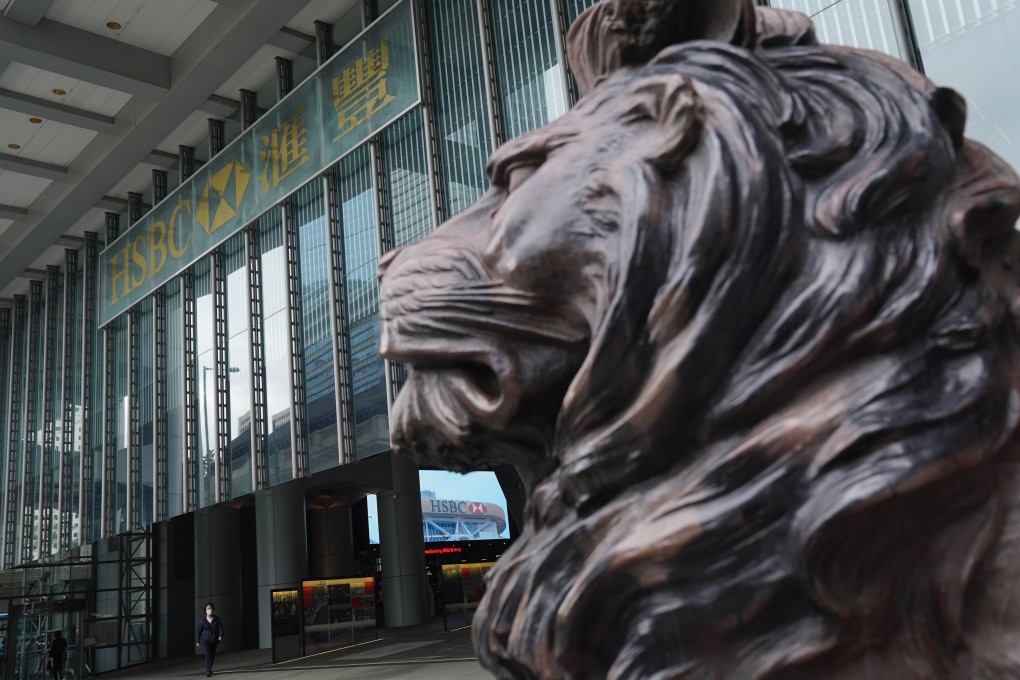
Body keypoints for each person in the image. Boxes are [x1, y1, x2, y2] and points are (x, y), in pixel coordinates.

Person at [195, 602, 224, 677]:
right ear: (205, 610)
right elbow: (199, 630)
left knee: (212, 655)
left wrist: (220, 635)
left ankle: (209, 669)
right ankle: (208, 671)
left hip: (214, 640)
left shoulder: (217, 619)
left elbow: (221, 628)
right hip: (205, 640)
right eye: (208, 608)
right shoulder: (203, 620)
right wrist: (198, 641)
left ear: (213, 609)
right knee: (207, 655)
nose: (209, 610)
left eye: (211, 608)